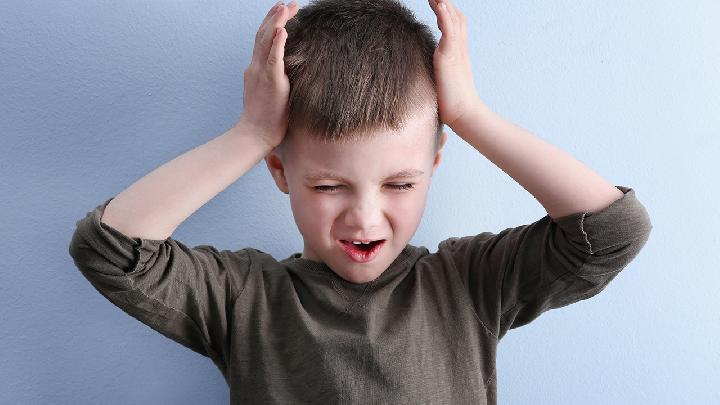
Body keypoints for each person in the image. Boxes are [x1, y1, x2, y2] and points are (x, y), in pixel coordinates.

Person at [68, 0, 653, 403]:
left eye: (400, 184)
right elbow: (110, 249)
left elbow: (612, 229)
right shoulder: (245, 299)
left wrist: (471, 116)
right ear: (279, 171)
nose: (366, 217)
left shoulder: (469, 284)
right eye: (328, 187)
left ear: (434, 166)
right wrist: (249, 133)